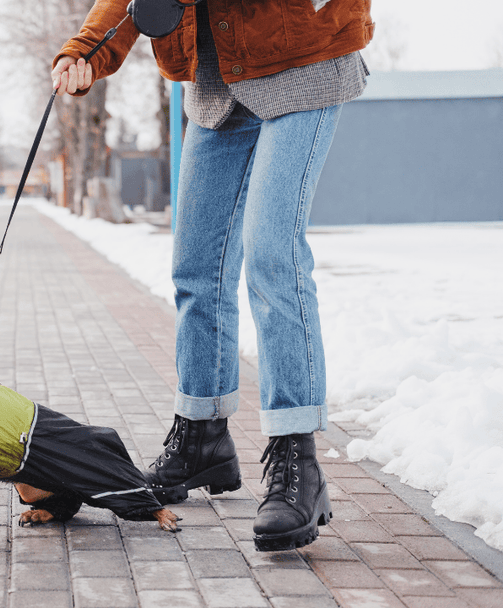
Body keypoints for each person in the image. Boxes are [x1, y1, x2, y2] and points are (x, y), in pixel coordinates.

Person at [52, 0, 373, 552]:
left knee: (272, 253)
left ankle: (296, 458)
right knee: (197, 267)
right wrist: (87, 50)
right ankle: (202, 436)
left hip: (302, 58)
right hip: (216, 79)